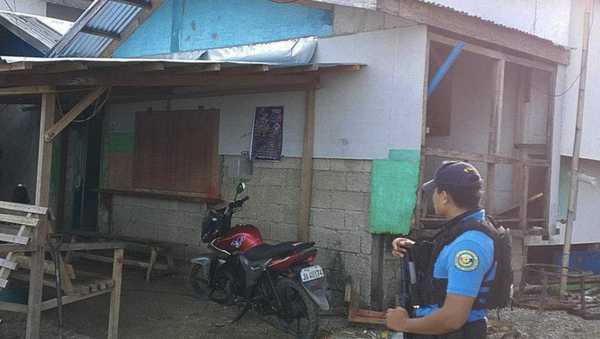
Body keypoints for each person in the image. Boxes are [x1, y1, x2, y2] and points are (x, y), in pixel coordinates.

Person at [386, 161, 495, 339]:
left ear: (444, 196)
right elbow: (447, 261)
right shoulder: (465, 230)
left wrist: (403, 324)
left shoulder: (469, 246)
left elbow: (452, 318)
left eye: (434, 192)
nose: (433, 197)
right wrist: (414, 248)